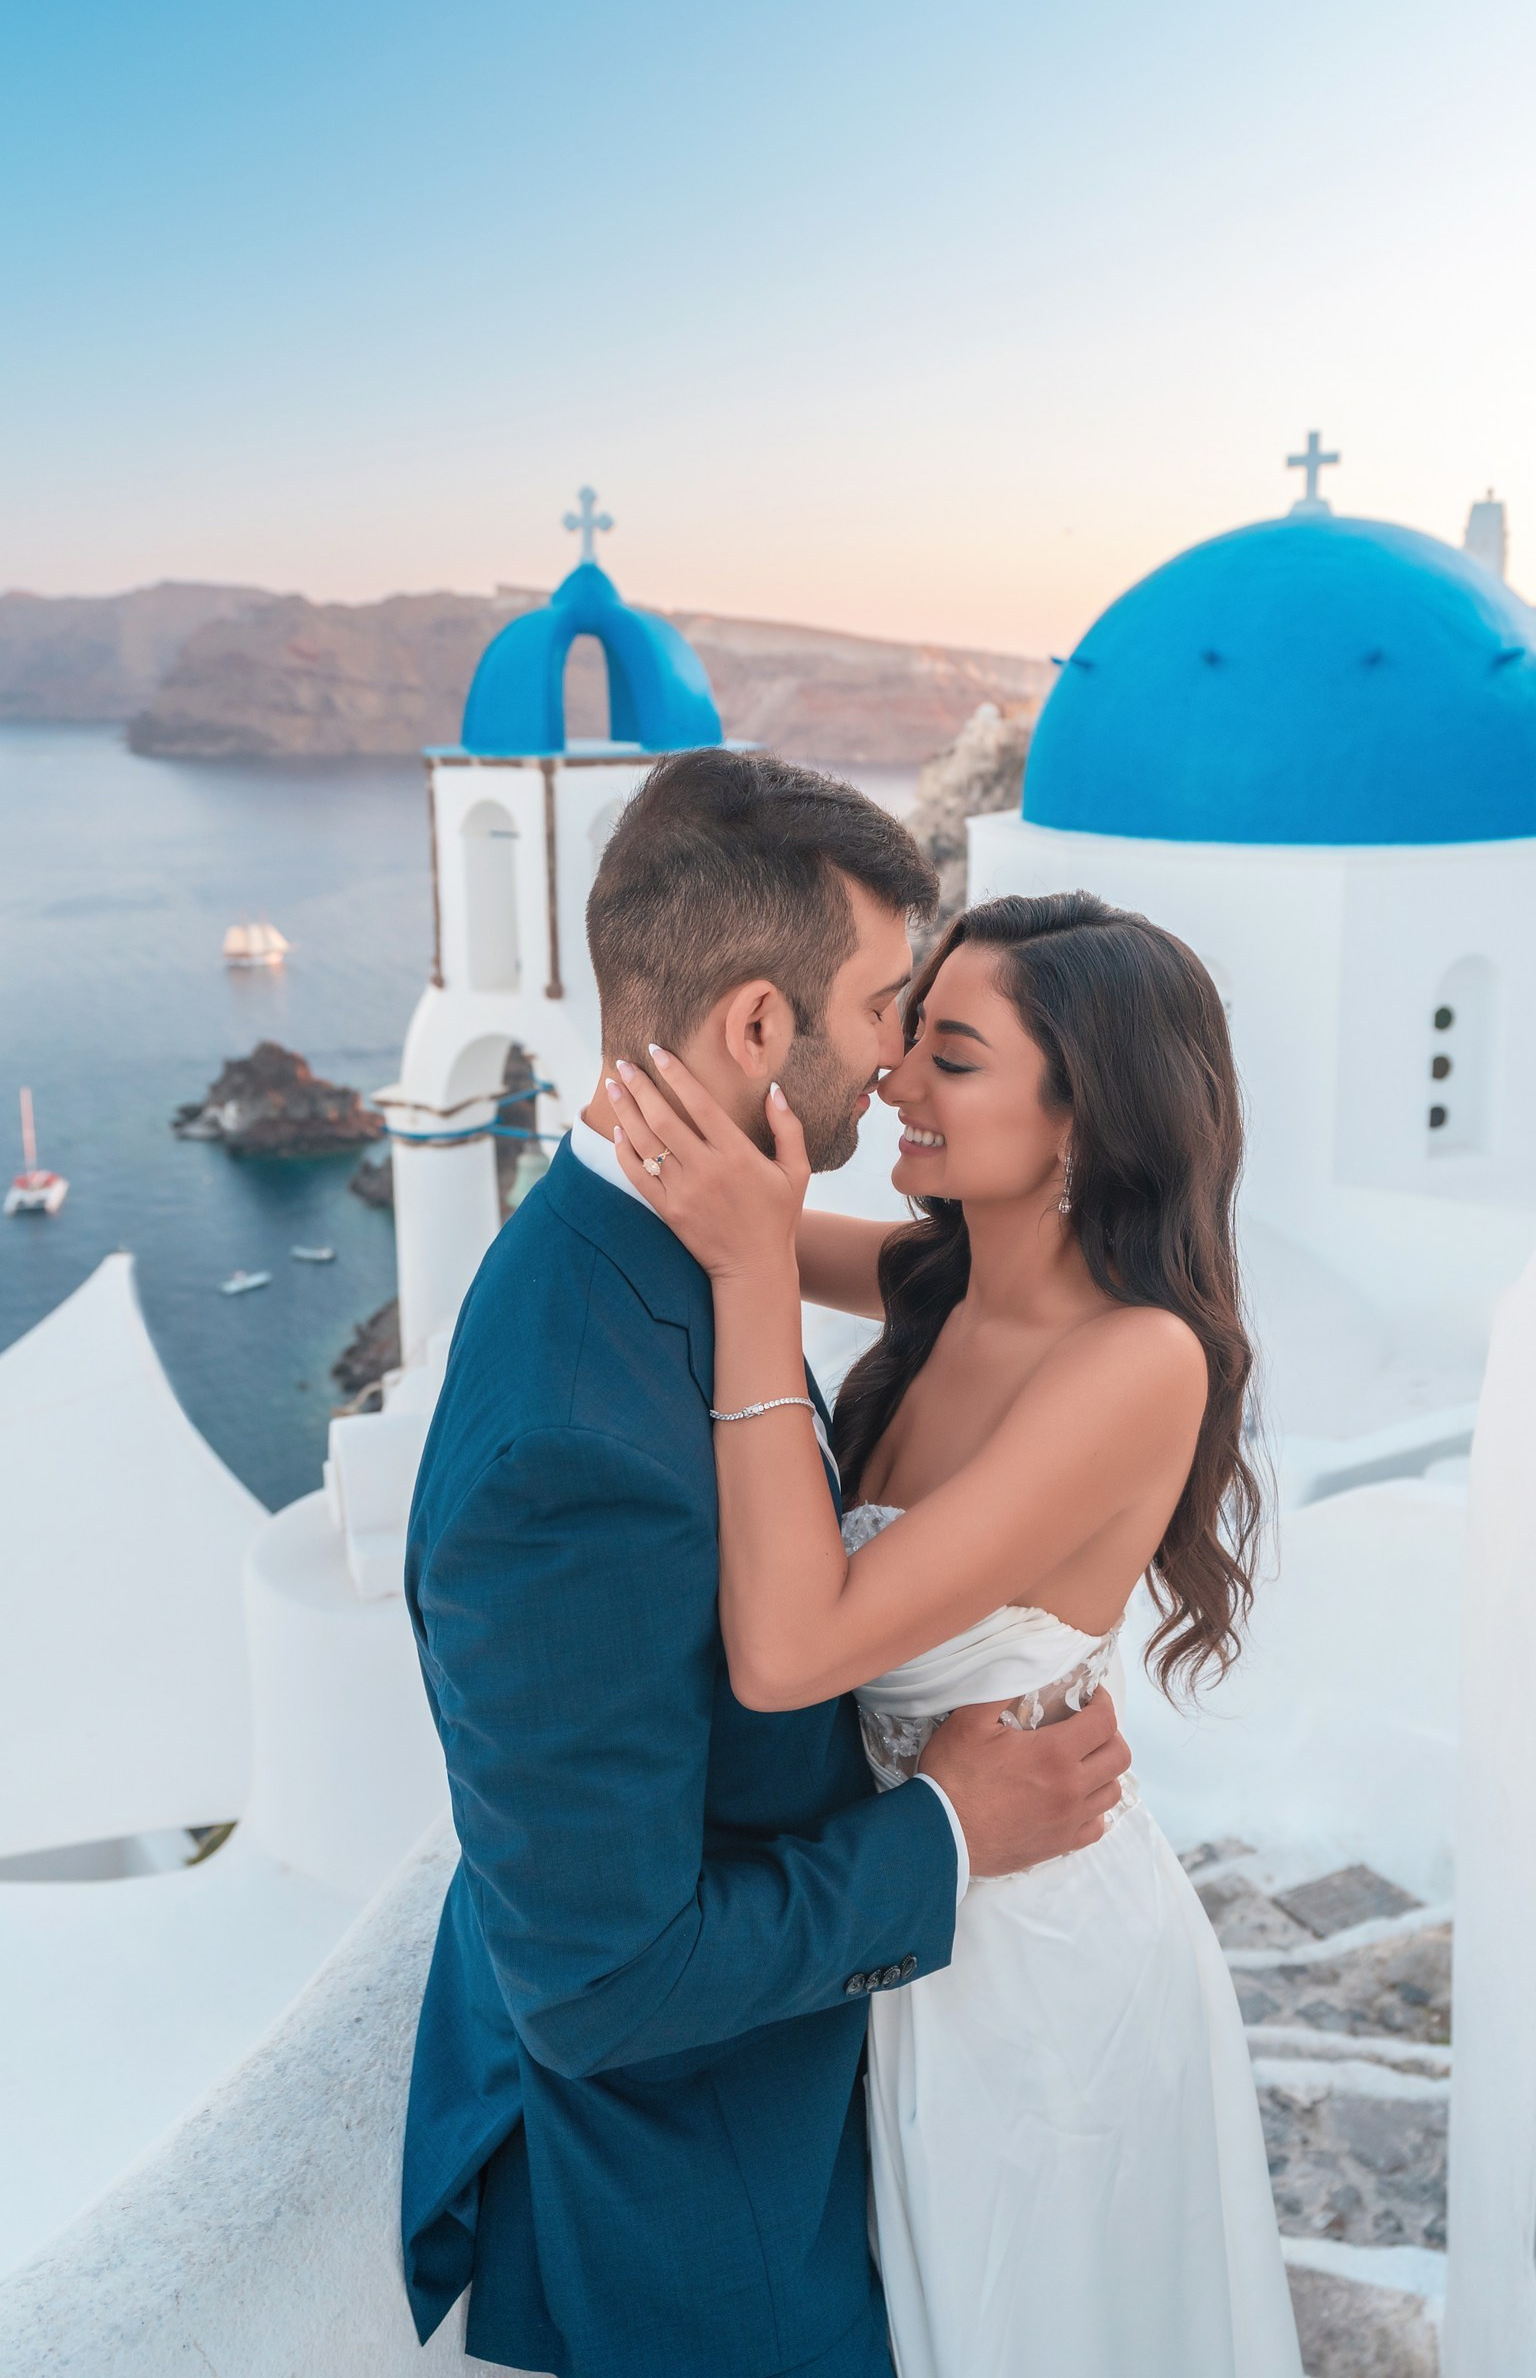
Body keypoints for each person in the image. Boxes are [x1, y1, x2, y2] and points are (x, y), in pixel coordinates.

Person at [401, 754, 1130, 2378]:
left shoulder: (670, 1243)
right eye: (886, 1011)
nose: (893, 1065)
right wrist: (948, 1829)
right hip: (704, 2208)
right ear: (753, 1029)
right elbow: (599, 1987)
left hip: (834, 2096)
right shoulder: (571, 1442)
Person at [603, 887, 1304, 2378]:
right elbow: (740, 1207)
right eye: (906, 1033)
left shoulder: (1136, 1361)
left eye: (954, 1056)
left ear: (1085, 1117)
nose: (897, 1079)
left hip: (1040, 1965)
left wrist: (746, 1273)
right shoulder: (942, 1280)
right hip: (918, 1906)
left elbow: (795, 1653)